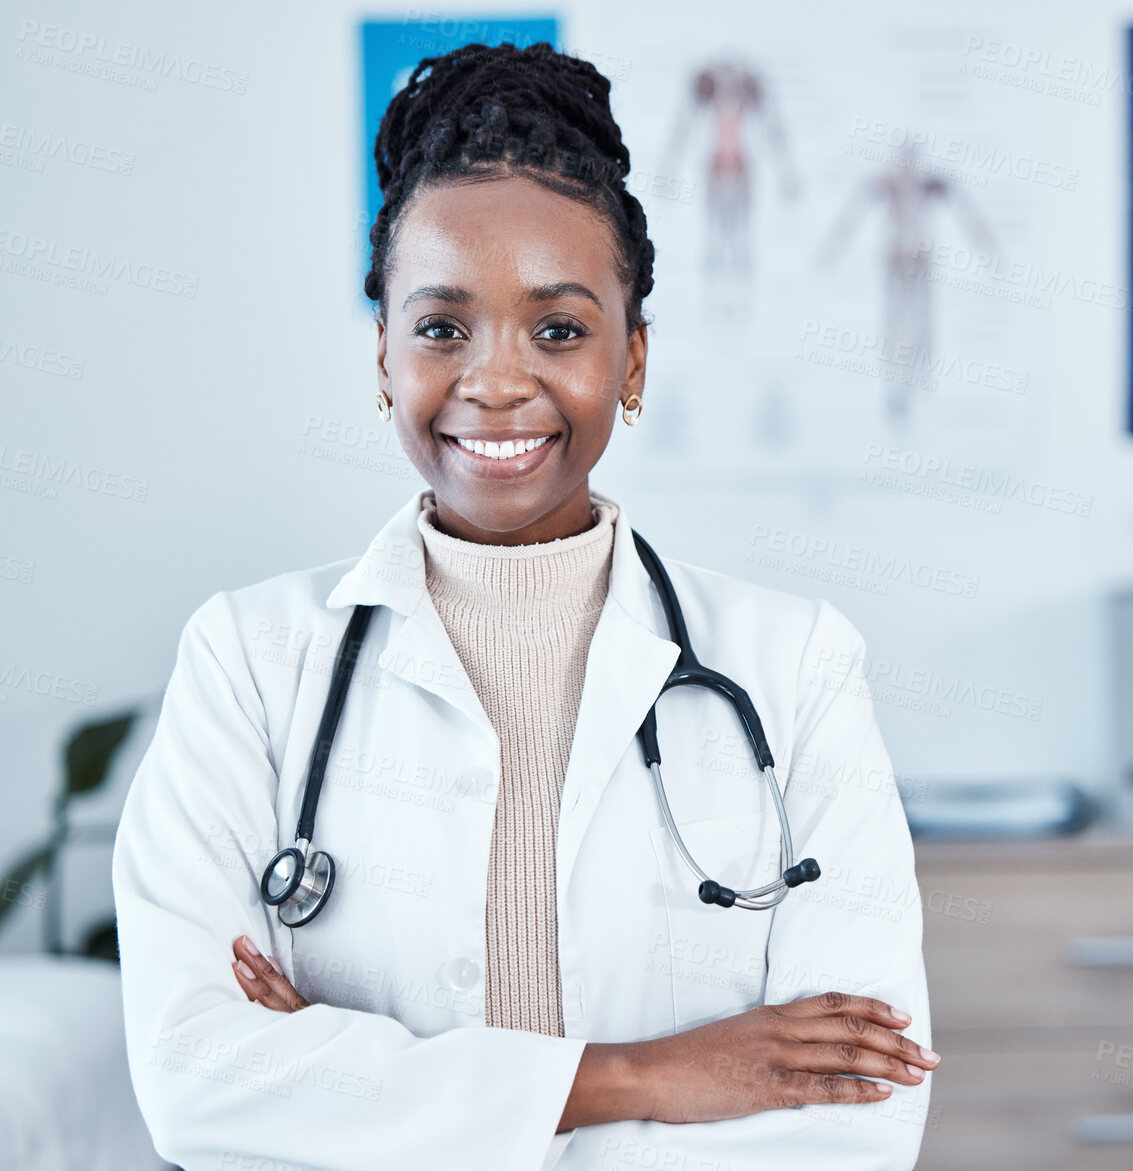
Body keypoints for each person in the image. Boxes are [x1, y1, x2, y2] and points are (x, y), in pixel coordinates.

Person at [111, 42, 935, 1171]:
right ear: (385, 360)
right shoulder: (249, 660)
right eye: (442, 327)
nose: (497, 381)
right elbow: (195, 1078)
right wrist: (649, 1074)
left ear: (633, 361)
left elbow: (853, 1118)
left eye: (559, 329)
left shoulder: (795, 665)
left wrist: (357, 1085)